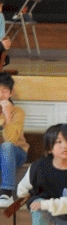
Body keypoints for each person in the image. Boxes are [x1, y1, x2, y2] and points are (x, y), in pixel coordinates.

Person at [0, 72, 29, 206]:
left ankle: (6, 193)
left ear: (11, 93)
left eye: (4, 91)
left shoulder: (17, 112)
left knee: (6, 146)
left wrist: (7, 114)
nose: (0, 95)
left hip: (16, 154)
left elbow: (11, 140)